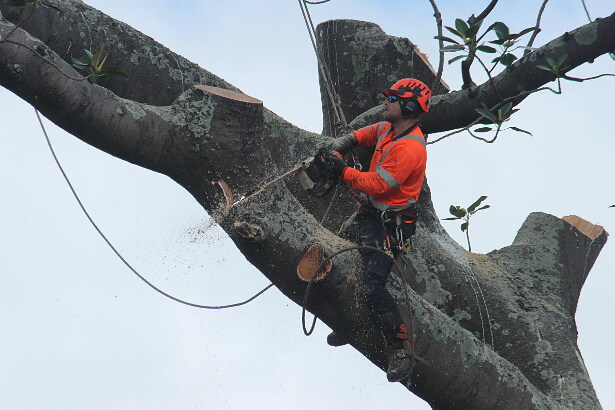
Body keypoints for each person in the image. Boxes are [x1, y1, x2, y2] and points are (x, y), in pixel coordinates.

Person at [316, 78, 430, 382]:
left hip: (390, 225)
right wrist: (343, 143)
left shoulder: (410, 148)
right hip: (369, 215)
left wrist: (342, 171)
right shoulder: (388, 129)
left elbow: (379, 185)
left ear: (407, 106)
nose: (386, 100)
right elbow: (366, 133)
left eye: (392, 97)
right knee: (337, 258)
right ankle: (351, 322)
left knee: (372, 284)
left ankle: (400, 346)